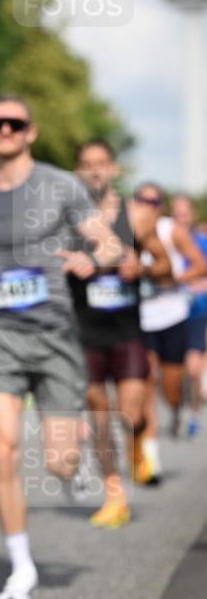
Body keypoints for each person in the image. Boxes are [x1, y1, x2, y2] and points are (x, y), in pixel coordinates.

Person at [0, 94, 122, 599]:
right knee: (4, 444)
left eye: (16, 123)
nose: (7, 130)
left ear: (30, 132)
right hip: (0, 338)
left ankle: (72, 462)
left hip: (56, 336)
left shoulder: (60, 184)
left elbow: (109, 244)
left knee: (58, 462)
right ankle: (20, 567)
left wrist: (91, 260)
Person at [72, 140, 171, 524]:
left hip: (127, 330)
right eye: (87, 164)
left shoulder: (138, 217)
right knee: (100, 416)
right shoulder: (67, 219)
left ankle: (137, 443)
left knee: (131, 414)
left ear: (114, 169)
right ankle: (115, 496)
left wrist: (142, 269)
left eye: (102, 164)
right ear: (79, 172)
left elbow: (165, 267)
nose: (95, 171)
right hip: (86, 331)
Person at [136, 183, 206, 477]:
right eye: (143, 200)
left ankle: (177, 409)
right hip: (141, 316)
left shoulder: (171, 230)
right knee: (147, 382)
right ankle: (151, 458)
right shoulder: (127, 231)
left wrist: (175, 277)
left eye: (155, 201)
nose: (149, 206)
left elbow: (200, 265)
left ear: (160, 206)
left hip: (173, 314)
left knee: (170, 385)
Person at [171, 195, 207, 437]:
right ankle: (176, 408)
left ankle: (193, 414)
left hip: (197, 312)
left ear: (192, 214)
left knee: (194, 368)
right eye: (176, 213)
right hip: (168, 315)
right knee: (174, 372)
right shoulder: (164, 242)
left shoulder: (202, 242)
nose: (181, 217)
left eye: (185, 212)